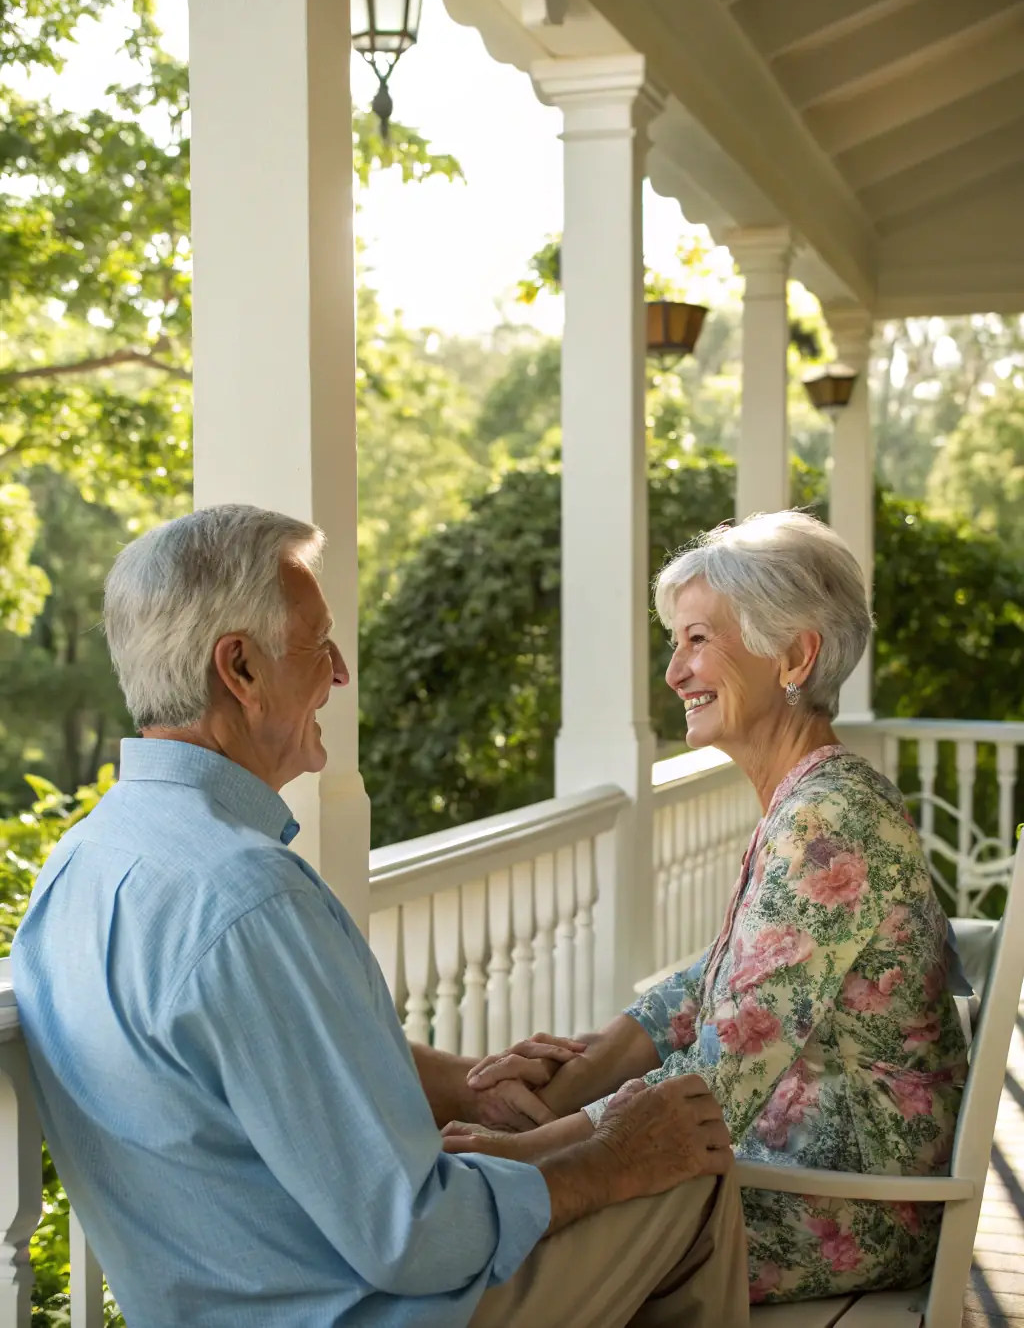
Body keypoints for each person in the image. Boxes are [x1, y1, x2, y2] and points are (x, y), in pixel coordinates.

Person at [11, 504, 749, 1328]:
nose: (339, 673)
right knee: (689, 1162)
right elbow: (416, 1234)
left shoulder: (80, 863)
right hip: (364, 1311)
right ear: (241, 669)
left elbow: (274, 1060)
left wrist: (471, 1083)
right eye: (317, 643)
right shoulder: (249, 896)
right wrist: (608, 1161)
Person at [454, 510, 970, 1306]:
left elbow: (720, 1077)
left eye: (698, 640)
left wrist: (528, 1146)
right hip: (797, 1164)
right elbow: (703, 991)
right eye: (676, 643)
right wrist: (572, 1073)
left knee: (502, 1237)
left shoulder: (828, 820)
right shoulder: (811, 800)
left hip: (845, 1199)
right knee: (510, 1209)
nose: (674, 673)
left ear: (795, 654)